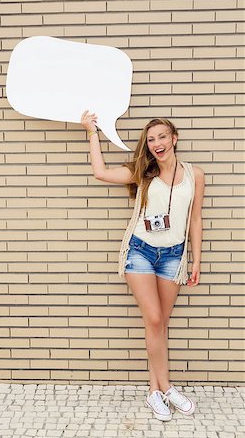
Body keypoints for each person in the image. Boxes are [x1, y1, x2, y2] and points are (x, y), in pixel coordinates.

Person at [81, 110, 205, 422]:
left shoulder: (195, 174)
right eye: (151, 140)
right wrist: (91, 132)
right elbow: (100, 172)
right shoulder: (143, 172)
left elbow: (195, 219)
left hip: (174, 256)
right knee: (153, 317)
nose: (157, 143)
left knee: (159, 323)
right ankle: (167, 386)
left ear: (174, 139)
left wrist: (196, 261)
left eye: (162, 137)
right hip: (141, 253)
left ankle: (154, 391)